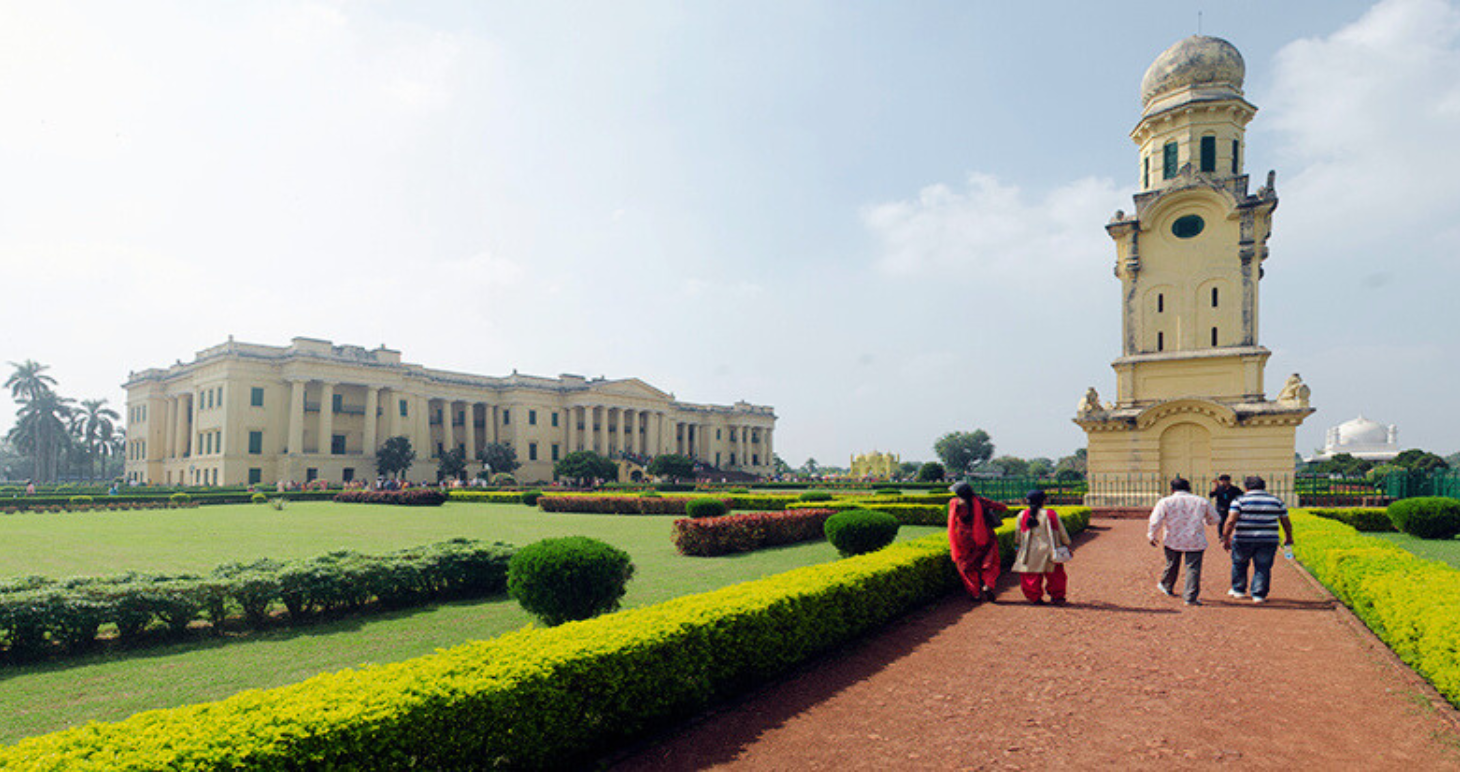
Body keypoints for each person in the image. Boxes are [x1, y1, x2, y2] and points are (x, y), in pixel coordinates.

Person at [1148, 477, 1222, 606]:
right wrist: (1206, 521)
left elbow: (1155, 520)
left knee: (1171, 563)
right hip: (1195, 539)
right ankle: (1190, 597)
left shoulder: (1165, 502)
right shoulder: (1201, 501)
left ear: (1172, 489)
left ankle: (1167, 585)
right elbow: (1215, 519)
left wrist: (1152, 535)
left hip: (1173, 538)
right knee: (1193, 568)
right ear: (1189, 488)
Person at [1221, 476, 1294, 604]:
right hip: (1268, 538)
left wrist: (1226, 537)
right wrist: (1288, 536)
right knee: (1263, 566)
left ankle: (1238, 590)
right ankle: (1258, 594)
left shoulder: (1239, 500)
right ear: (1263, 486)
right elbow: (1286, 521)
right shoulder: (1276, 501)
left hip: (1243, 538)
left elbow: (1231, 521)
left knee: (1239, 563)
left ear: (1246, 487)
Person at [947, 481, 1007, 602]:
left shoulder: (955, 503)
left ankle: (975, 593)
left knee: (967, 566)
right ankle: (988, 585)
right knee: (990, 561)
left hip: (964, 538)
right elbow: (1002, 507)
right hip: (985, 535)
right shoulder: (980, 501)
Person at [1010, 489, 1072, 604]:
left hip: (1030, 550)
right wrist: (1067, 544)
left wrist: (1018, 546)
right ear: (1044, 501)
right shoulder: (1050, 514)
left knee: (1030, 576)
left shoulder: (1022, 515)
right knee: (1055, 575)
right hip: (1050, 549)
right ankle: (1057, 597)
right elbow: (1061, 531)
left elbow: (1018, 535)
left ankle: (1035, 597)